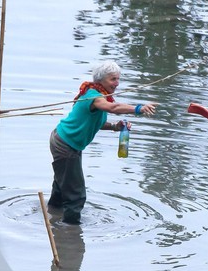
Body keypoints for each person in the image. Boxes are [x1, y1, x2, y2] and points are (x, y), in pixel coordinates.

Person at [47, 60, 156, 225]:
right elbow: (113, 108)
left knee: (63, 185)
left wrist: (114, 126)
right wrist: (137, 108)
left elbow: (93, 122)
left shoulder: (97, 94)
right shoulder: (93, 96)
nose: (117, 84)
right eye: (113, 79)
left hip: (65, 140)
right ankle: (70, 232)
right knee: (76, 195)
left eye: (118, 79)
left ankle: (52, 214)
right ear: (101, 80)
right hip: (65, 144)